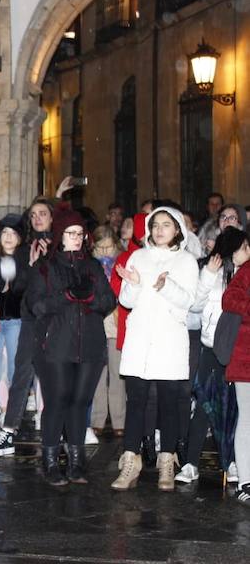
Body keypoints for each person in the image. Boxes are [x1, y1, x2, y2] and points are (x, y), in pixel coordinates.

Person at [25, 208, 115, 485]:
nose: (76, 238)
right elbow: (36, 305)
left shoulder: (93, 266)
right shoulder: (46, 267)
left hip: (89, 344)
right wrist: (65, 296)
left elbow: (108, 301)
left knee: (80, 402)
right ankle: (50, 461)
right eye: (70, 233)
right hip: (55, 346)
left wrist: (90, 299)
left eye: (79, 233)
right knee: (57, 401)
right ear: (59, 236)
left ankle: (76, 460)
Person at [112, 207, 199, 491]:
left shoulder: (186, 261)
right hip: (140, 339)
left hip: (169, 340)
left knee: (169, 404)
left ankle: (166, 461)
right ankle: (130, 460)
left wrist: (167, 286)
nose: (160, 229)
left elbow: (189, 302)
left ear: (177, 231)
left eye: (166, 225)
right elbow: (126, 300)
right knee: (135, 401)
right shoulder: (138, 256)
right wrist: (135, 284)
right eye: (156, 225)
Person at [176, 227, 250, 484]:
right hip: (212, 347)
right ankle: (191, 463)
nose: (246, 251)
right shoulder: (213, 271)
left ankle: (233, 462)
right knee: (206, 405)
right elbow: (194, 305)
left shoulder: (247, 274)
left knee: (235, 409)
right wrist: (207, 276)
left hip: (239, 349)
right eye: (242, 247)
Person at [0, 198, 55, 457]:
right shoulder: (26, 250)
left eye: (43, 213)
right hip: (28, 319)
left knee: (52, 376)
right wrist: (30, 266)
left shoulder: (58, 243)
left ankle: (59, 429)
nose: (38, 218)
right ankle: (9, 430)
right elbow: (20, 286)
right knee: (21, 375)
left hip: (53, 318)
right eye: (34, 214)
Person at [0, 215, 25, 432]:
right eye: (5, 233)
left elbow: (21, 291)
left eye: (13, 233)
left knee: (14, 370)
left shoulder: (24, 260)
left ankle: (11, 416)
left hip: (16, 320)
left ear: (19, 238)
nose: (9, 237)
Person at [90, 225, 125, 438]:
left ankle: (119, 419)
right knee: (98, 375)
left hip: (115, 323)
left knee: (118, 373)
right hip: (96, 323)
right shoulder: (91, 266)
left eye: (108, 247)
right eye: (100, 247)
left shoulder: (121, 264)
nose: (104, 252)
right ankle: (98, 418)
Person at [223, 234, 250, 505]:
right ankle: (246, 480)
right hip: (246, 356)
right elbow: (229, 299)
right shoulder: (247, 271)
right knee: (248, 418)